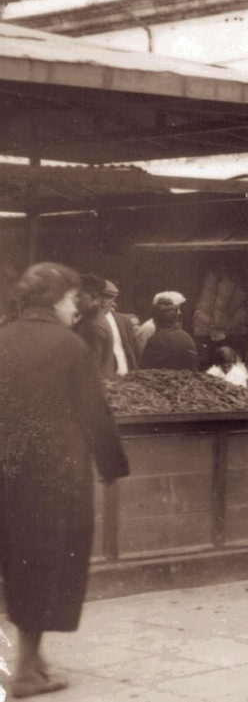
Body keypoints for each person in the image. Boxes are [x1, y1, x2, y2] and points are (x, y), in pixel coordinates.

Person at [0, 262, 130, 699]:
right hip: (54, 476)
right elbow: (95, 413)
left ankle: (31, 661)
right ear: (56, 300)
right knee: (46, 564)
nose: (76, 309)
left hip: (5, 472)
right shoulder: (69, 347)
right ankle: (25, 672)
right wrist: (113, 468)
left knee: (15, 561)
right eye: (73, 299)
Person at [76, 273, 137, 377]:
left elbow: (91, 367)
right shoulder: (91, 319)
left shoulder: (94, 324)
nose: (104, 301)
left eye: (109, 297)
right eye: (103, 296)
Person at [141, 296, 199, 371]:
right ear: (175, 319)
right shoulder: (186, 337)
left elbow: (145, 371)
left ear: (155, 320)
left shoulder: (156, 340)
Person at [135, 289, 186, 358]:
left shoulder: (174, 326)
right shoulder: (149, 327)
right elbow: (140, 353)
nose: (179, 312)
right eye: (176, 308)